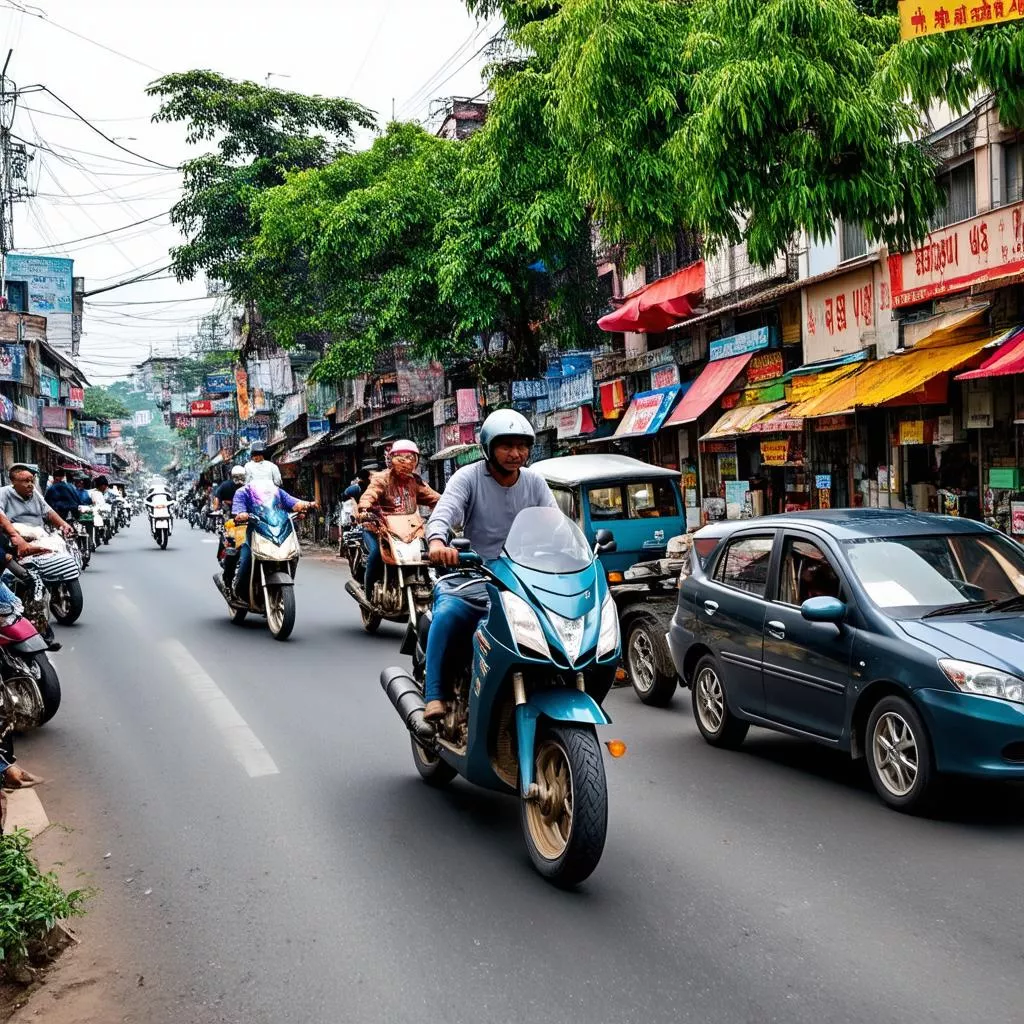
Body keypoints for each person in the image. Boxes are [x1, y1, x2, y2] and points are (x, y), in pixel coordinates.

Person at [422, 411, 558, 720]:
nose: (515, 454)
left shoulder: (535, 482)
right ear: (488, 448)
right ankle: (434, 694)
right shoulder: (468, 477)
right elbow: (444, 513)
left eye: (522, 446)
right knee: (447, 612)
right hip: (474, 574)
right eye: (506, 446)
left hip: (523, 580)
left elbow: (555, 523)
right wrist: (438, 543)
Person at [357, 440, 440, 593]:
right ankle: (368, 593)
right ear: (392, 458)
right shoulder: (382, 478)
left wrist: (448, 507)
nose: (406, 461)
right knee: (376, 555)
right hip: (379, 528)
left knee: (435, 553)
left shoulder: (415, 481)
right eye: (401, 457)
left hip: (410, 531)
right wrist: (364, 509)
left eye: (410, 458)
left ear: (416, 460)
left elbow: (434, 498)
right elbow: (370, 494)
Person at [230, 481, 316, 600]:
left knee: (293, 555)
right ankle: (237, 590)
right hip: (253, 534)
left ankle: (283, 588)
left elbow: (294, 504)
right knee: (246, 559)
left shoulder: (277, 491)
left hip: (275, 533)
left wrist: (309, 504)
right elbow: (238, 511)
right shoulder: (243, 492)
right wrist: (242, 514)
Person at [0, 465, 74, 537]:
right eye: (26, 481)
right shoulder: (4, 492)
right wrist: (14, 535)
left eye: (32, 481)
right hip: (17, 536)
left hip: (40, 536)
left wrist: (64, 525)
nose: (30, 485)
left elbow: (49, 512)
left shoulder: (35, 493)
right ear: (14, 482)